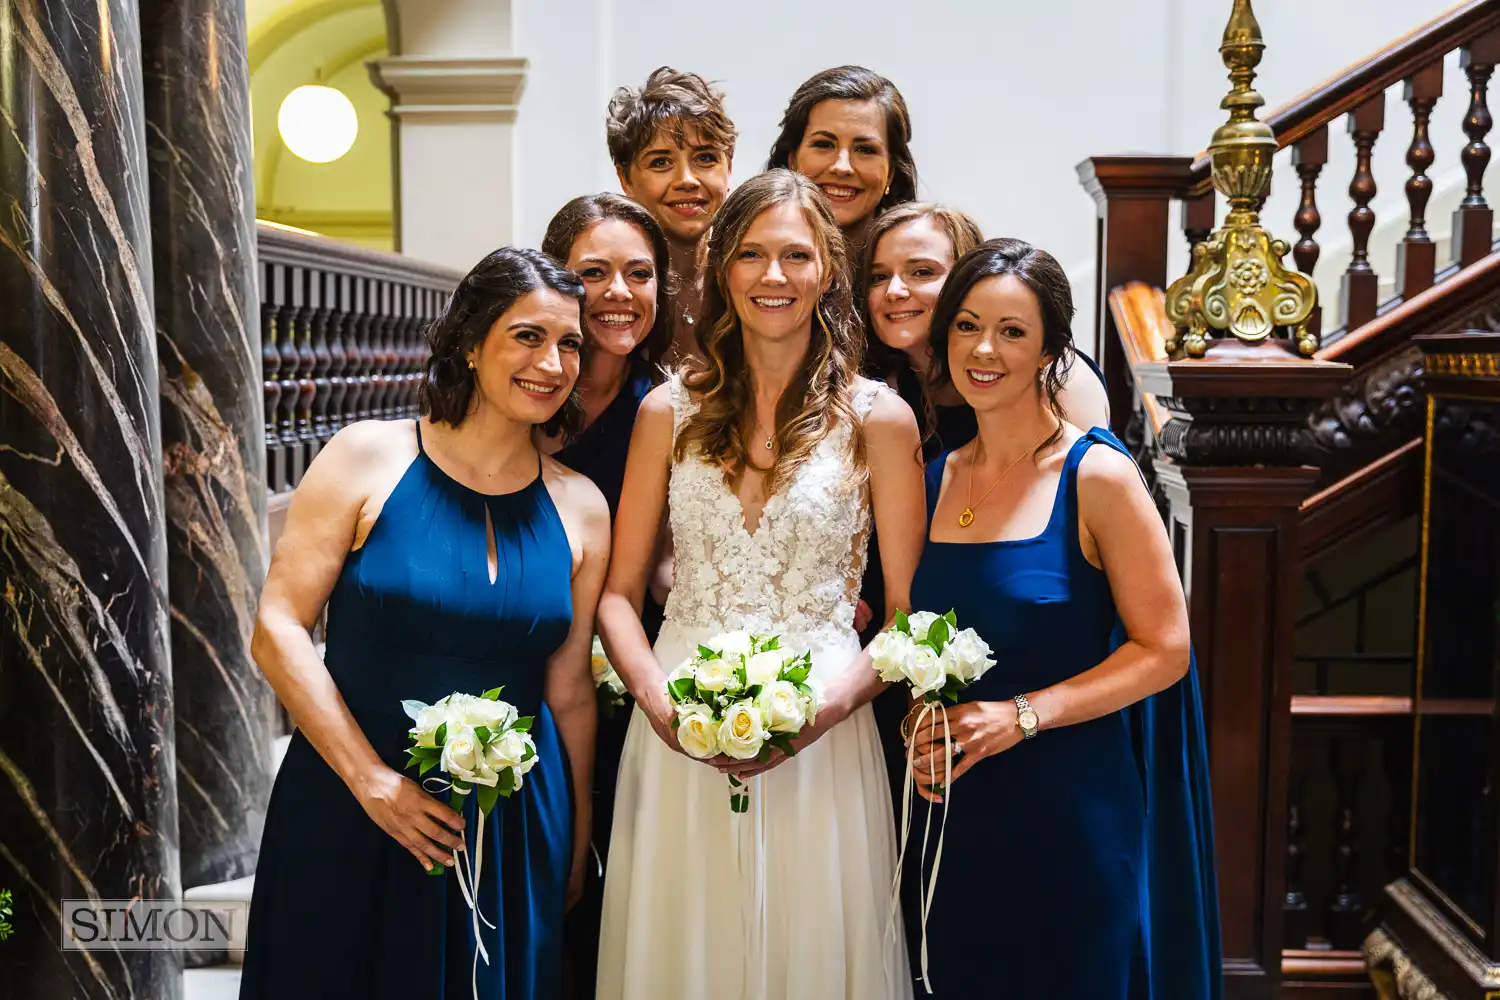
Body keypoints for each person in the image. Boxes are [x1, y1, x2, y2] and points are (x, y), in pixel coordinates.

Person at [241, 248, 611, 1000]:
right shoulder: (366, 456)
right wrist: (371, 780)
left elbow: (569, 688)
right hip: (352, 798)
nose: (553, 362)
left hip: (508, 823)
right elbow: (277, 627)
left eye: (570, 343)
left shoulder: (582, 506)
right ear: (471, 344)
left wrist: (571, 839)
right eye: (528, 336)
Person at [595, 168, 924, 1000]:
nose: (772, 277)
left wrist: (825, 712)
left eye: (795, 256)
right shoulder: (664, 412)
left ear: (827, 271)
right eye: (750, 255)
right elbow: (616, 594)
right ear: (720, 269)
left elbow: (910, 619)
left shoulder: (878, 418)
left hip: (824, 728)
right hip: (678, 721)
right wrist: (659, 706)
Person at [899, 239, 1220, 998]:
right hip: (959, 813)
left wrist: (1022, 716)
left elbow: (1166, 648)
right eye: (968, 325)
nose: (984, 349)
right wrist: (918, 720)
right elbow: (920, 633)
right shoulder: (936, 475)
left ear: (1050, 348)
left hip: (1072, 808)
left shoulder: (1098, 474)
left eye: (1012, 331)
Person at [537, 193, 672, 998]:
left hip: (630, 672)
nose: (621, 292)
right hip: (527, 668)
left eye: (640, 273)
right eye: (596, 273)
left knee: (613, 883)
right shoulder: (521, 387)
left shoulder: (670, 406)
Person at [860, 202, 1110, 458]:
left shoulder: (1057, 376)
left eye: (922, 272)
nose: (893, 292)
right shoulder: (882, 388)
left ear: (968, 278)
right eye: (878, 277)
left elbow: (1089, 483)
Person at [607, 66, 737, 360]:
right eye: (661, 162)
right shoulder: (607, 290)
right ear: (625, 178)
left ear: (728, 168)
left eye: (705, 158)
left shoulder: (754, 279)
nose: (686, 180)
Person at [767, 65, 917, 257]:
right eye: (824, 145)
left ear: (891, 173)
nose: (842, 167)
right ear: (792, 159)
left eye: (865, 149)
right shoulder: (735, 267)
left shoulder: (918, 283)